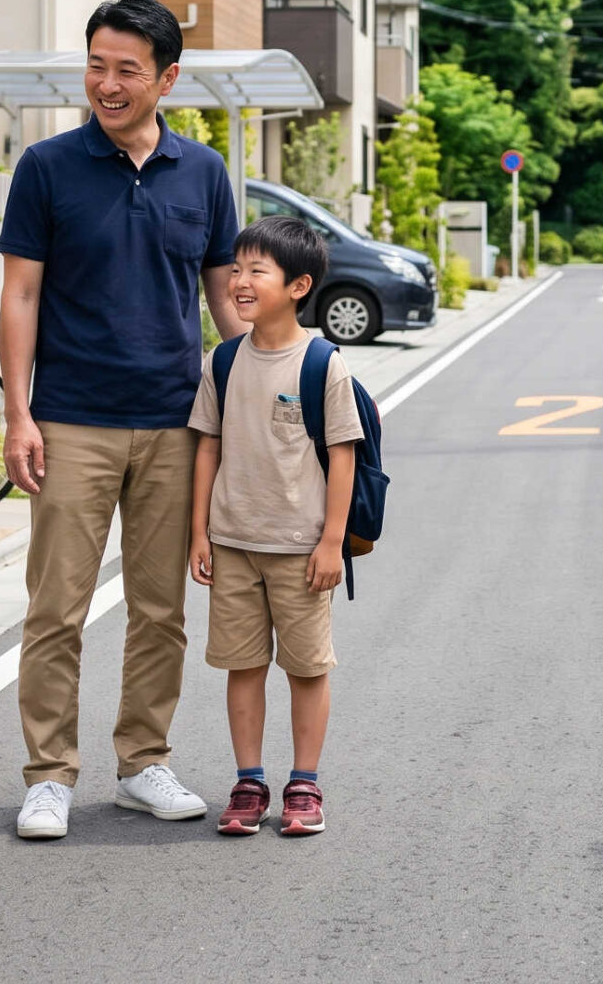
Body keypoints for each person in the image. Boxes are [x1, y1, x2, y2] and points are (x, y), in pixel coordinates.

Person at [0, 0, 245, 840]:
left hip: (176, 421)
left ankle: (143, 761)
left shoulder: (204, 172)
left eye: (127, 70)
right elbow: (20, 293)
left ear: (166, 79)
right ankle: (48, 776)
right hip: (71, 419)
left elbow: (225, 297)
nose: (107, 83)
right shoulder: (46, 167)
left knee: (160, 609)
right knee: (55, 609)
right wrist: (18, 412)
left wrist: (268, 387)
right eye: (96, 65)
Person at [187, 216, 362, 839]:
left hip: (300, 548)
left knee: (307, 667)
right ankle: (249, 782)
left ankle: (304, 783)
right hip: (234, 543)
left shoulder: (321, 363)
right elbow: (207, 446)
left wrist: (332, 541)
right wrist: (199, 532)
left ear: (297, 285)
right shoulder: (223, 360)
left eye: (256, 271)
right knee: (243, 665)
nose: (239, 280)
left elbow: (343, 455)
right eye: (236, 268)